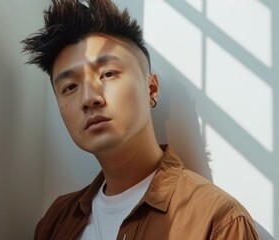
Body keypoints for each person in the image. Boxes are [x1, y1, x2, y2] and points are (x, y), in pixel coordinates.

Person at [21, 0, 259, 239]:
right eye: (70, 87)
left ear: (151, 88)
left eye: (108, 74)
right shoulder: (56, 221)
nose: (89, 98)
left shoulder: (217, 219)